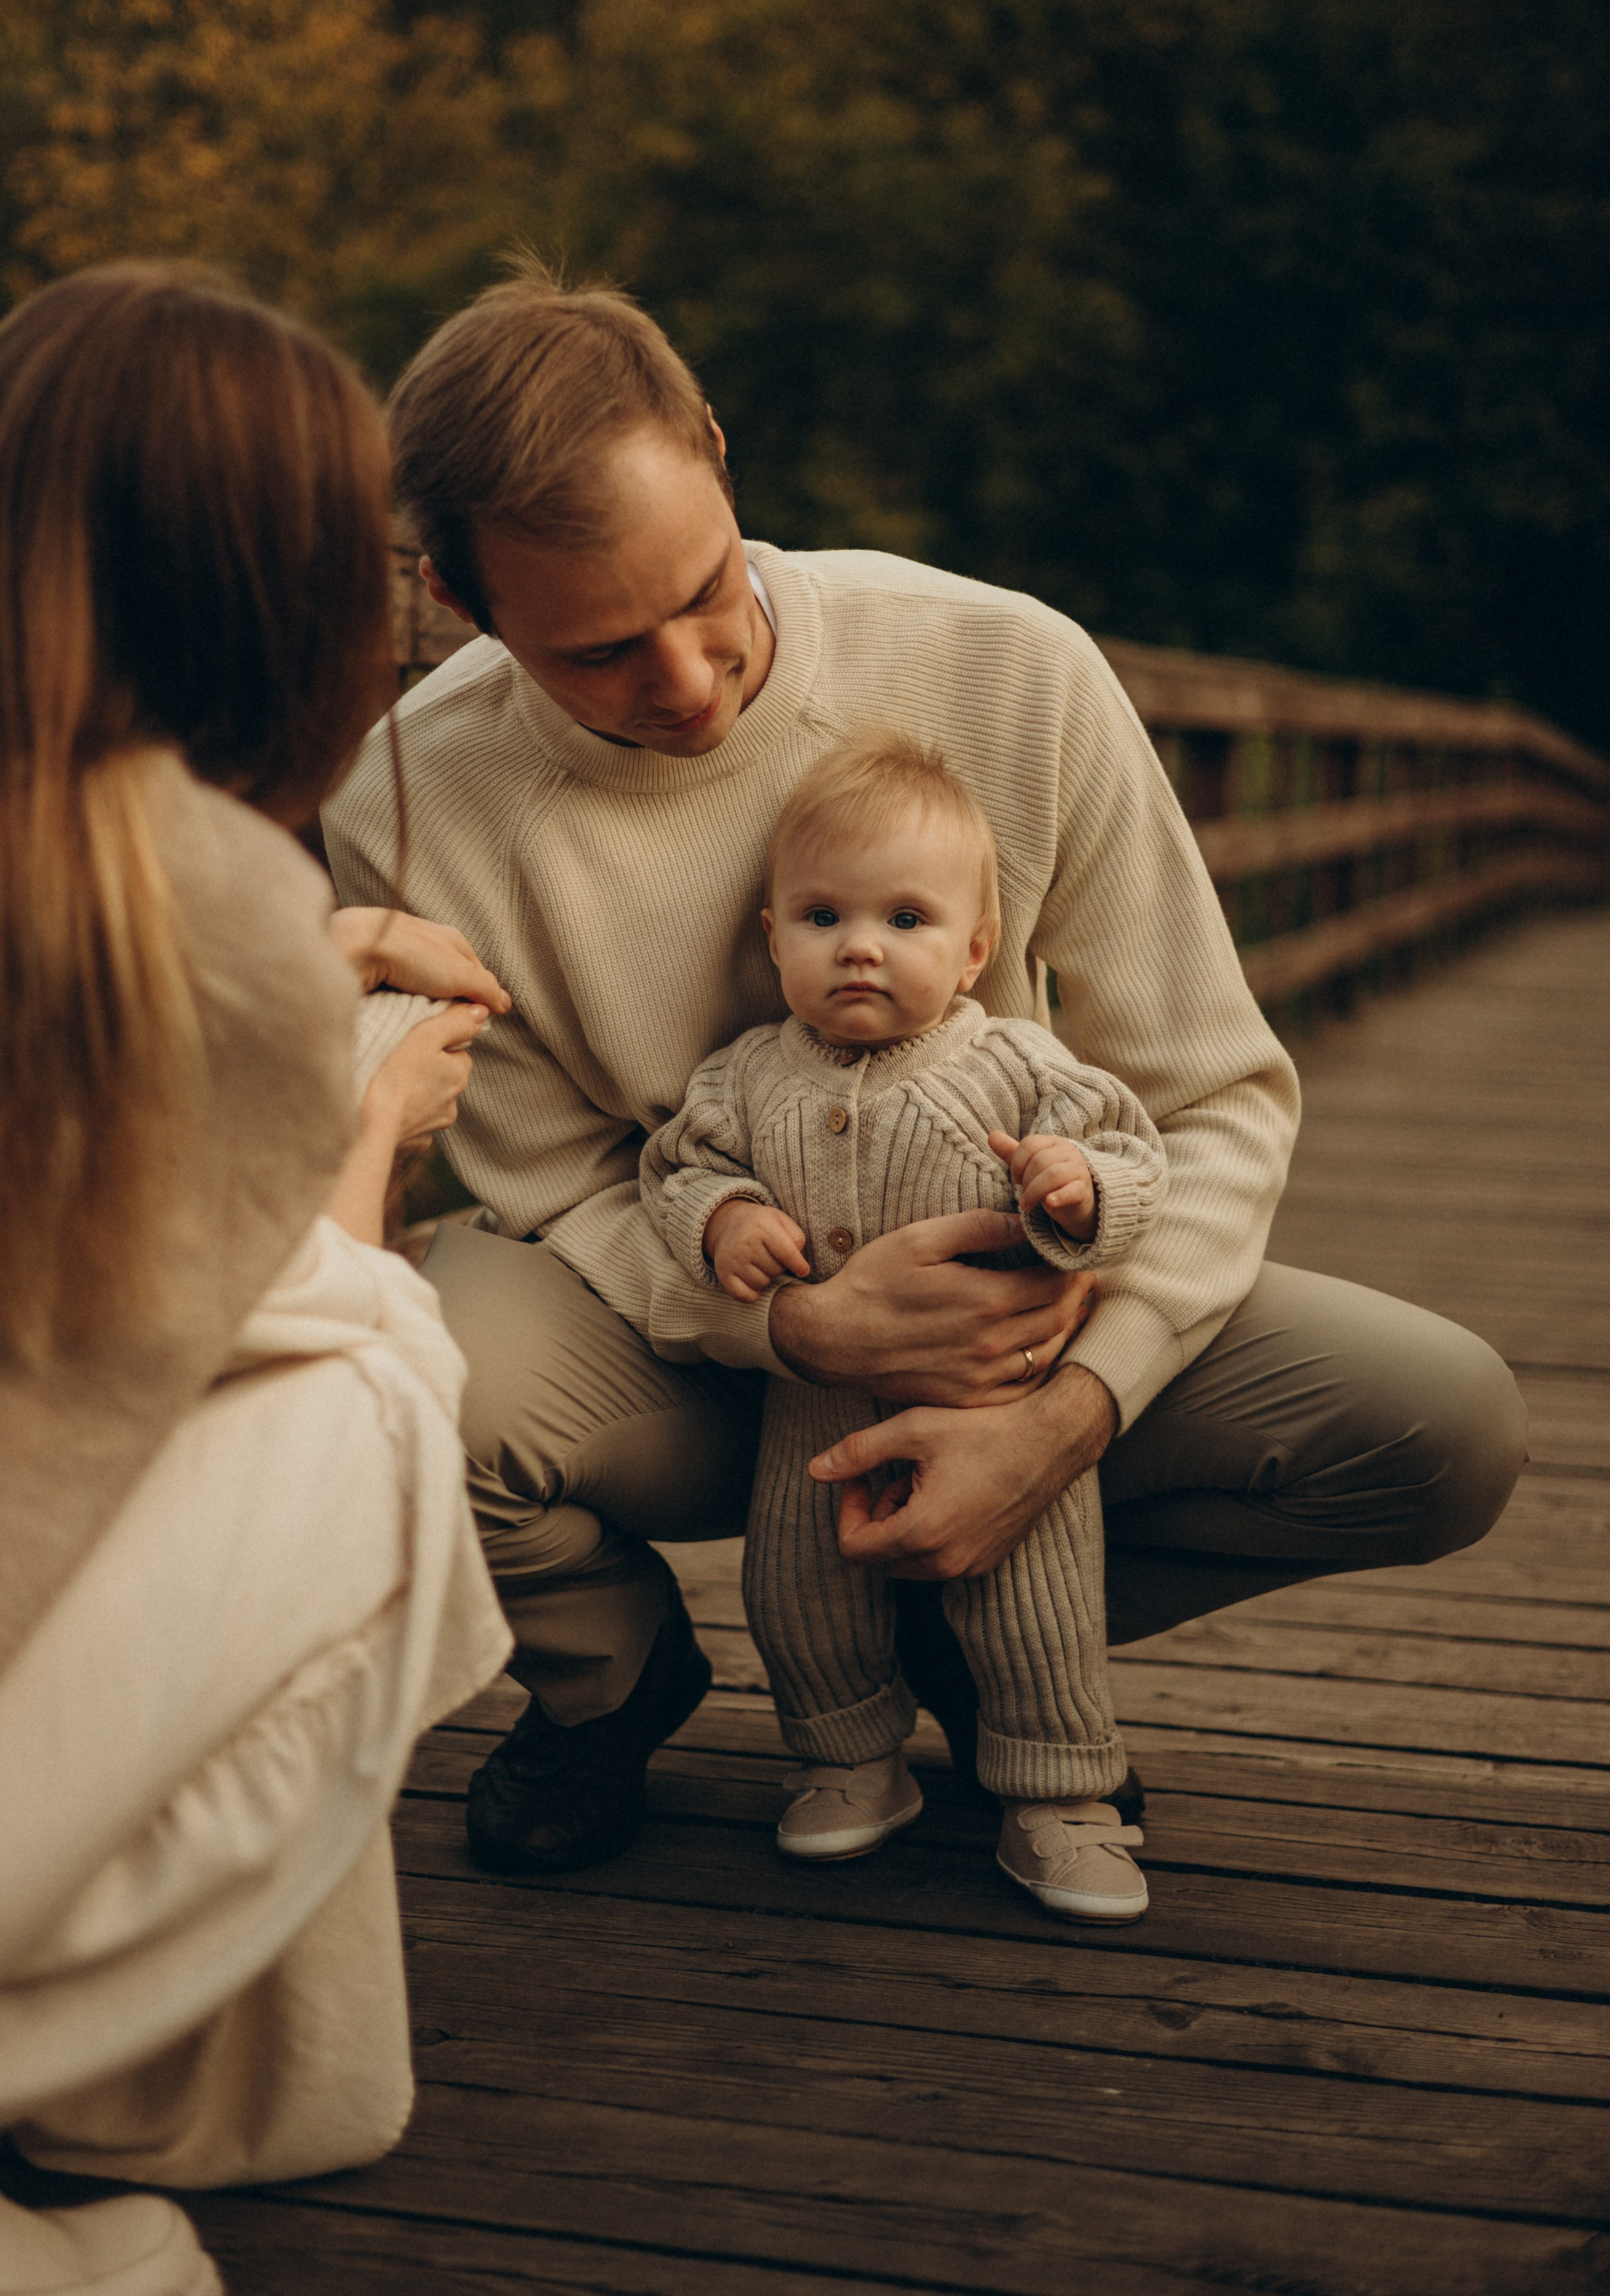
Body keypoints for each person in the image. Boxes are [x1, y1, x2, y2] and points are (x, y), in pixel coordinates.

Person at [324, 260, 1529, 1884]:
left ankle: (967, 1637)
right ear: (465, 604)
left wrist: (1067, 1415)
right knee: (400, 1370)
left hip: (1014, 1329)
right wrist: (787, 1320)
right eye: (599, 654)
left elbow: (1215, 1094)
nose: (684, 684)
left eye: (701, 598)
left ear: (719, 456)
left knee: (1437, 1423)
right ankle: (610, 1683)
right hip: (702, 1339)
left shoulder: (1008, 666)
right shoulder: (412, 789)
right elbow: (552, 1182)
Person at [0, 264, 511, 2296]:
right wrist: (370, 1112)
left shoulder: (14, 861)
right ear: (270, 593)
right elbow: (268, 1333)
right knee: (381, 1396)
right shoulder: (208, 905)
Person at [640, 733, 1164, 1921]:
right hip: (813, 1416)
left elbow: (1135, 1154)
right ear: (773, 938)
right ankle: (847, 1761)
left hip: (995, 1404)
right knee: (800, 1590)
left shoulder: (1016, 1065)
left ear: (977, 950)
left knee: (1035, 1603)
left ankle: (1062, 1797)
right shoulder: (745, 1078)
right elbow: (674, 1168)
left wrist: (1079, 1185)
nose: (861, 945)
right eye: (822, 916)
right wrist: (721, 1221)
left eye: (908, 920)